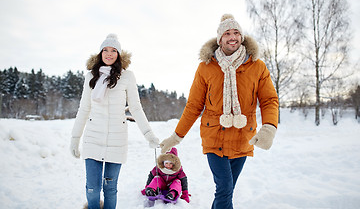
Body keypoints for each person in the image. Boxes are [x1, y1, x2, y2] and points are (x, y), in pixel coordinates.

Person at [160, 14, 279, 209]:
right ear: (219, 39)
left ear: (241, 36)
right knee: (224, 188)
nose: (232, 37)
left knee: (226, 190)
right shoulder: (206, 67)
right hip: (214, 137)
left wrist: (269, 128)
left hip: (243, 137)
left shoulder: (257, 66)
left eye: (236, 33)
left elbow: (269, 100)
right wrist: (176, 136)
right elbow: (194, 106)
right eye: (227, 33)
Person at [70, 33, 159, 209]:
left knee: (110, 188)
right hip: (93, 139)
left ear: (118, 54)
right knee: (92, 189)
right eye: (105, 50)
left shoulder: (127, 77)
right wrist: (75, 139)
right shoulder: (90, 77)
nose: (109, 54)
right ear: (100, 53)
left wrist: (149, 135)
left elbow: (135, 108)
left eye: (113, 50)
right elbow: (84, 109)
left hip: (116, 141)